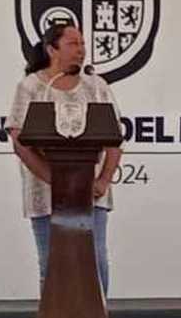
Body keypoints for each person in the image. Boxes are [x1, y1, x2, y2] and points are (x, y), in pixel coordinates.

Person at [7, 23, 122, 295]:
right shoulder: (32, 87)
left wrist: (103, 180)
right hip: (47, 195)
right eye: (73, 44)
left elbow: (115, 139)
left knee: (95, 262)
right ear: (51, 49)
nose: (81, 50)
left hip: (90, 193)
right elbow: (20, 141)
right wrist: (56, 181)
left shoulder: (97, 86)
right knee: (52, 265)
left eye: (82, 44)